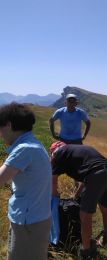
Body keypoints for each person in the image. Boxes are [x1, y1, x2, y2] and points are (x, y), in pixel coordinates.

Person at [0, 103, 51, 260]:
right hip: (35, 218)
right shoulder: (33, 143)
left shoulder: (24, 149)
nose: (0, 135)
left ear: (8, 125)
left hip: (28, 222)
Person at [50, 141, 107, 259]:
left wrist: (54, 199)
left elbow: (53, 181)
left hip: (96, 174)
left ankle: (86, 251)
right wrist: (75, 196)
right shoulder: (77, 150)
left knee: (85, 215)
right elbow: (84, 180)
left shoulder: (58, 154)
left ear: (53, 152)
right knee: (106, 209)